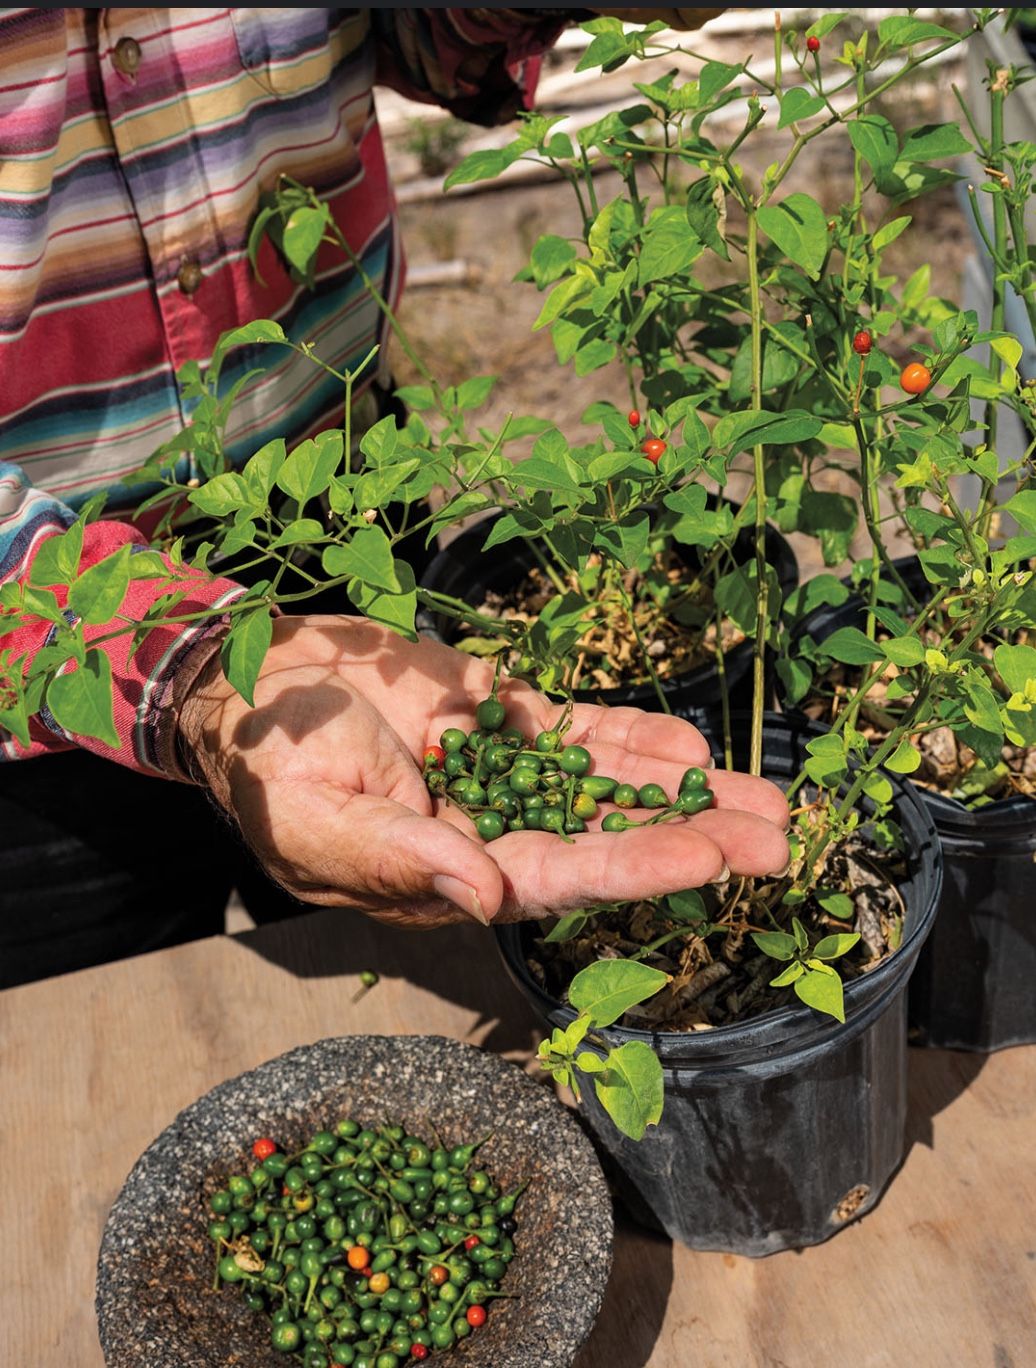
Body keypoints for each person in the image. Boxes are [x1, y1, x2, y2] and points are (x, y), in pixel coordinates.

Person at [0, 7, 786, 990]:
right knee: (98, 1063)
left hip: (343, 536)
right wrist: (190, 667)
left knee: (425, 977)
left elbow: (417, 31)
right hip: (37, 673)